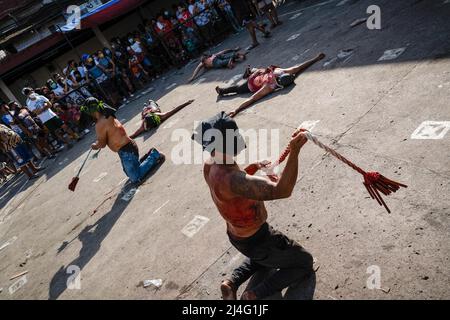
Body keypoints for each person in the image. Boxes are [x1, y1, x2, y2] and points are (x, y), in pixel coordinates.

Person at [192, 111, 314, 300]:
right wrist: (295, 151)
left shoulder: (211, 165)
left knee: (263, 259)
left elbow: (234, 190)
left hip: (238, 236)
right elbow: (282, 190)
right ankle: (255, 294)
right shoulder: (233, 179)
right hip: (260, 239)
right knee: (304, 262)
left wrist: (254, 167)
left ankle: (232, 282)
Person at [80, 97, 164, 184]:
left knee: (136, 178)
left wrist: (94, 145)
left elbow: (102, 144)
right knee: (130, 173)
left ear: (91, 111)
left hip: (127, 152)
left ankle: (154, 154)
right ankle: (148, 156)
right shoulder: (108, 115)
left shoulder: (100, 124)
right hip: (128, 148)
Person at [215, 53, 325, 117]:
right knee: (256, 71)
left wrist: (236, 109)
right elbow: (300, 67)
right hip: (259, 73)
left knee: (238, 89)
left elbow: (252, 98)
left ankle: (223, 91)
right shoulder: (283, 72)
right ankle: (250, 72)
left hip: (251, 84)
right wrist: (316, 58)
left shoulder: (268, 87)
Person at [130, 99, 194, 139]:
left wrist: (186, 103)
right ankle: (146, 105)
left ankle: (149, 104)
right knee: (146, 109)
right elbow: (174, 110)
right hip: (151, 111)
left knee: (150, 104)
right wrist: (186, 103)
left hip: (153, 110)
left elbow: (134, 135)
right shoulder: (145, 124)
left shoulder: (144, 126)